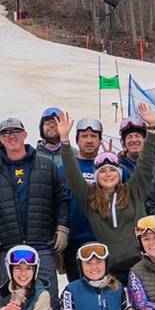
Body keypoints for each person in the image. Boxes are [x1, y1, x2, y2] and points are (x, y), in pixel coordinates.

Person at [0, 117, 69, 282]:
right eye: (6, 133)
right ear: (1, 139)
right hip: (8, 247)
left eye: (16, 131)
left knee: (48, 302)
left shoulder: (46, 165)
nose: (11, 136)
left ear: (25, 134)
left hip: (42, 245)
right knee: (11, 304)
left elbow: (62, 200)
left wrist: (62, 228)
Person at [58, 109, 155, 277]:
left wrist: (152, 129)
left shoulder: (134, 190)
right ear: (96, 177)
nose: (108, 174)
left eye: (113, 170)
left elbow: (145, 164)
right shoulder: (89, 198)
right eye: (102, 171)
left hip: (138, 264)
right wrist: (65, 141)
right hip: (108, 267)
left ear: (120, 173)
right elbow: (72, 173)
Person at [59, 116, 115, 281]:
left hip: (105, 240)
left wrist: (112, 162)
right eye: (84, 136)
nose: (89, 140)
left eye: (93, 136)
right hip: (74, 241)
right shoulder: (64, 169)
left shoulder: (111, 170)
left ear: (99, 140)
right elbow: (59, 202)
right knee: (78, 288)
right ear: (77, 140)